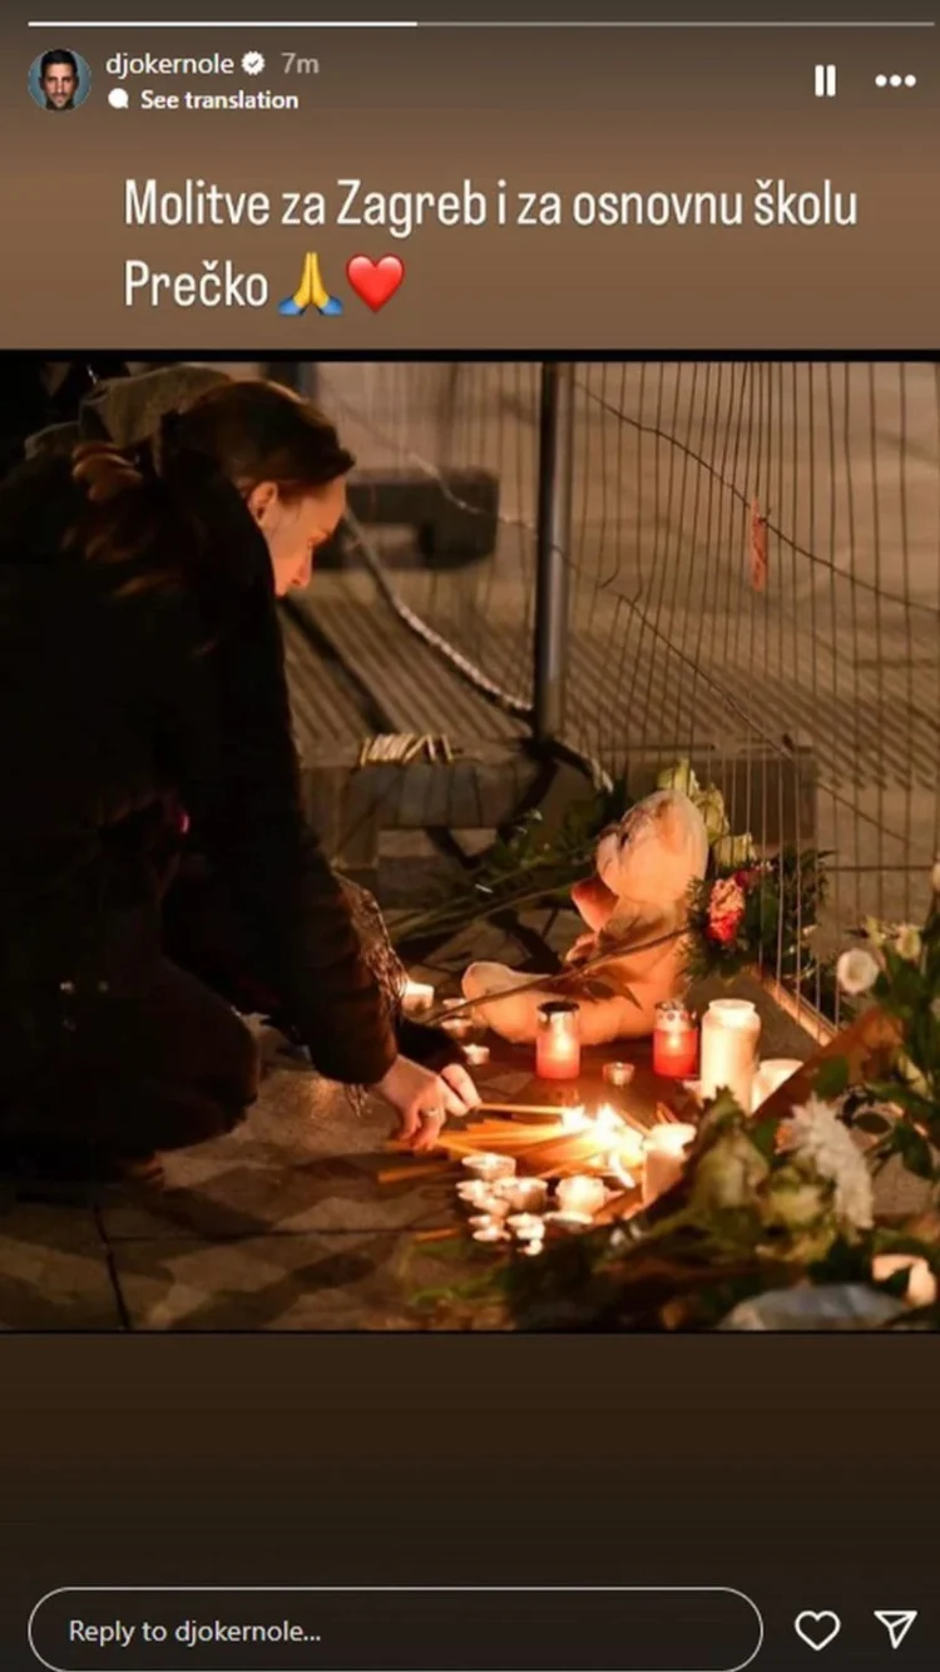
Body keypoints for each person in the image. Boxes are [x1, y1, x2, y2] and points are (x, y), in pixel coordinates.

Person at [0, 371, 477, 1181]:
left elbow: (201, 860)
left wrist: (376, 1030)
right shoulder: (202, 611)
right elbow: (269, 853)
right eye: (313, 542)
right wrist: (380, 1064)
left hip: (35, 873)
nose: (305, 576)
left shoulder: (78, 516)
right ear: (260, 505)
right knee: (207, 1073)